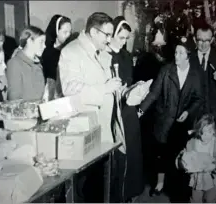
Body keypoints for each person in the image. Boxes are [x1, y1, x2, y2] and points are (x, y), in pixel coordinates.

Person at [58, 12, 123, 202]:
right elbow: (70, 89)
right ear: (94, 32)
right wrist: (104, 88)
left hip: (101, 129)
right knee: (86, 187)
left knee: (98, 185)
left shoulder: (98, 52)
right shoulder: (71, 52)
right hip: (85, 132)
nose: (110, 39)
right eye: (107, 35)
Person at [138, 37, 204, 199]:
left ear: (188, 55)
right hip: (164, 120)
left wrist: (188, 112)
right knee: (161, 153)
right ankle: (160, 183)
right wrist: (140, 110)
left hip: (182, 123)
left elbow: (199, 98)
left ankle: (176, 187)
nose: (177, 56)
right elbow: (154, 93)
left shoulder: (195, 74)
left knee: (179, 155)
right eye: (176, 52)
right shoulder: (166, 70)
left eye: (181, 53)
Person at [105, 16, 145, 202]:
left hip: (128, 110)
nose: (124, 42)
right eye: (121, 38)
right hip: (113, 112)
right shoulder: (104, 55)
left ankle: (130, 193)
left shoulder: (126, 56)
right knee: (119, 155)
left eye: (126, 38)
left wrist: (136, 88)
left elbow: (128, 80)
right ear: (111, 35)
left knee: (133, 152)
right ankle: (117, 196)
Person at [176, 114, 216, 203]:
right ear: (198, 131)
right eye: (202, 132)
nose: (205, 136)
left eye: (208, 132)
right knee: (195, 200)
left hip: (212, 180)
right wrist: (181, 162)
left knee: (210, 200)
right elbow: (183, 155)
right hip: (197, 180)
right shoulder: (192, 143)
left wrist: (215, 166)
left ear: (214, 131)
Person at [190, 23, 216, 128]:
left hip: (214, 114)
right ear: (194, 39)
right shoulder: (188, 58)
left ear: (212, 40)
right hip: (193, 115)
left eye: (207, 40)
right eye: (200, 40)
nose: (203, 44)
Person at [6, 26, 46, 101]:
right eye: (41, 42)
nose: (44, 46)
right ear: (29, 41)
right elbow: (14, 99)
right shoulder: (14, 63)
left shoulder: (38, 64)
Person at [42, 15, 72, 99]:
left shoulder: (70, 50)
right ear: (56, 31)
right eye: (65, 32)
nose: (68, 35)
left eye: (70, 32)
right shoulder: (45, 50)